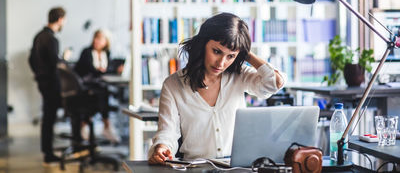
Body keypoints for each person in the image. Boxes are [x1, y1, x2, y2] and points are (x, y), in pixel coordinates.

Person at [148, 12, 286, 164]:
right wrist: (161, 147)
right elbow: (167, 132)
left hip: (237, 167)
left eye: (230, 56)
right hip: (197, 167)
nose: (221, 63)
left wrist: (245, 53)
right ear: (202, 45)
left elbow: (274, 83)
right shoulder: (173, 85)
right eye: (216, 51)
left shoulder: (239, 74)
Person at [28, 7, 66, 164]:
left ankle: (47, 151)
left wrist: (38, 74)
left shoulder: (38, 36)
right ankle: (48, 154)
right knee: (49, 117)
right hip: (51, 83)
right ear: (60, 20)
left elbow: (31, 60)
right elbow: (54, 64)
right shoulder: (52, 39)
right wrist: (64, 59)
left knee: (47, 117)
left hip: (42, 81)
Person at [74, 29, 121, 143]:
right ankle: (105, 125)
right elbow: (89, 69)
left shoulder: (107, 53)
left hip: (98, 87)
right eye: (95, 37)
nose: (96, 40)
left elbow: (109, 68)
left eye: (100, 38)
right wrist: (102, 71)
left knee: (102, 93)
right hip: (85, 87)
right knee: (101, 94)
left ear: (106, 41)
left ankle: (86, 124)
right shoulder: (86, 52)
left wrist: (116, 69)